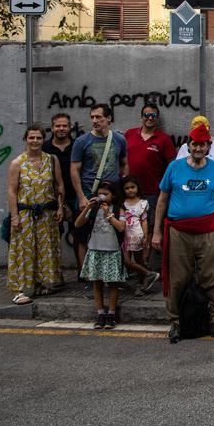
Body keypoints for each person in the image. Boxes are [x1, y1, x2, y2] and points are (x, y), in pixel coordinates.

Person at [153, 120, 214, 343]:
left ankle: (213, 320)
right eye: (194, 144)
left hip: (209, 231)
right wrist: (156, 231)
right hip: (178, 231)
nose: (198, 148)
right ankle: (175, 322)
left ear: (208, 146)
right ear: (188, 145)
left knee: (210, 278)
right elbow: (162, 200)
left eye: (202, 145)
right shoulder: (174, 168)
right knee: (178, 279)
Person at [6, 125, 64, 305]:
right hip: (25, 214)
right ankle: (19, 290)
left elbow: (59, 185)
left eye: (38, 138)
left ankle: (38, 284)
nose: (35, 141)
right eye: (31, 138)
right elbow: (12, 191)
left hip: (46, 214)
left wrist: (60, 207)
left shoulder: (51, 160)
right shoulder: (17, 163)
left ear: (43, 140)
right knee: (23, 250)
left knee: (43, 250)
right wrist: (14, 217)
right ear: (26, 139)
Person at [70, 104, 127, 282]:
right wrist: (81, 196)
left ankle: (113, 275)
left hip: (112, 197)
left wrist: (122, 191)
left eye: (99, 117)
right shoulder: (82, 141)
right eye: (92, 117)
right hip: (89, 194)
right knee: (83, 236)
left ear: (109, 118)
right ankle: (86, 277)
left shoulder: (119, 140)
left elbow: (124, 163)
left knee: (113, 235)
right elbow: (74, 170)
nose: (95, 121)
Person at [74, 181, 127, 330]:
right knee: (96, 283)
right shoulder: (94, 208)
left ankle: (111, 314)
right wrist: (87, 209)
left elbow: (121, 228)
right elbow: (78, 224)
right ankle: (100, 313)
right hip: (95, 249)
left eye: (106, 194)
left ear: (113, 195)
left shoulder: (118, 208)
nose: (102, 197)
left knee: (112, 284)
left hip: (112, 250)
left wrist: (108, 215)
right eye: (100, 194)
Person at [123, 103, 175, 234]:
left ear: (157, 118)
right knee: (128, 228)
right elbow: (120, 158)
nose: (150, 118)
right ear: (141, 117)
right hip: (129, 191)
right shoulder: (129, 134)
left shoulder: (164, 139)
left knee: (148, 230)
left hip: (152, 193)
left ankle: (146, 255)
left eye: (153, 115)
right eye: (146, 115)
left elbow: (172, 165)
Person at [42, 112, 75, 284]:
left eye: (64, 126)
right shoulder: (45, 148)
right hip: (52, 199)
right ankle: (56, 274)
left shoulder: (77, 145)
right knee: (53, 238)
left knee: (78, 236)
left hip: (75, 196)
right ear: (52, 127)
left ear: (70, 127)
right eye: (58, 126)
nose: (61, 129)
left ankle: (82, 275)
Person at [119, 176, 159, 292]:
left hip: (138, 236)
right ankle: (149, 274)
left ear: (137, 188)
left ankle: (142, 285)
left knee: (139, 260)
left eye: (132, 187)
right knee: (127, 260)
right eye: (127, 188)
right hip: (126, 237)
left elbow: (144, 220)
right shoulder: (123, 204)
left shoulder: (143, 203)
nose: (130, 190)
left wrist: (146, 236)